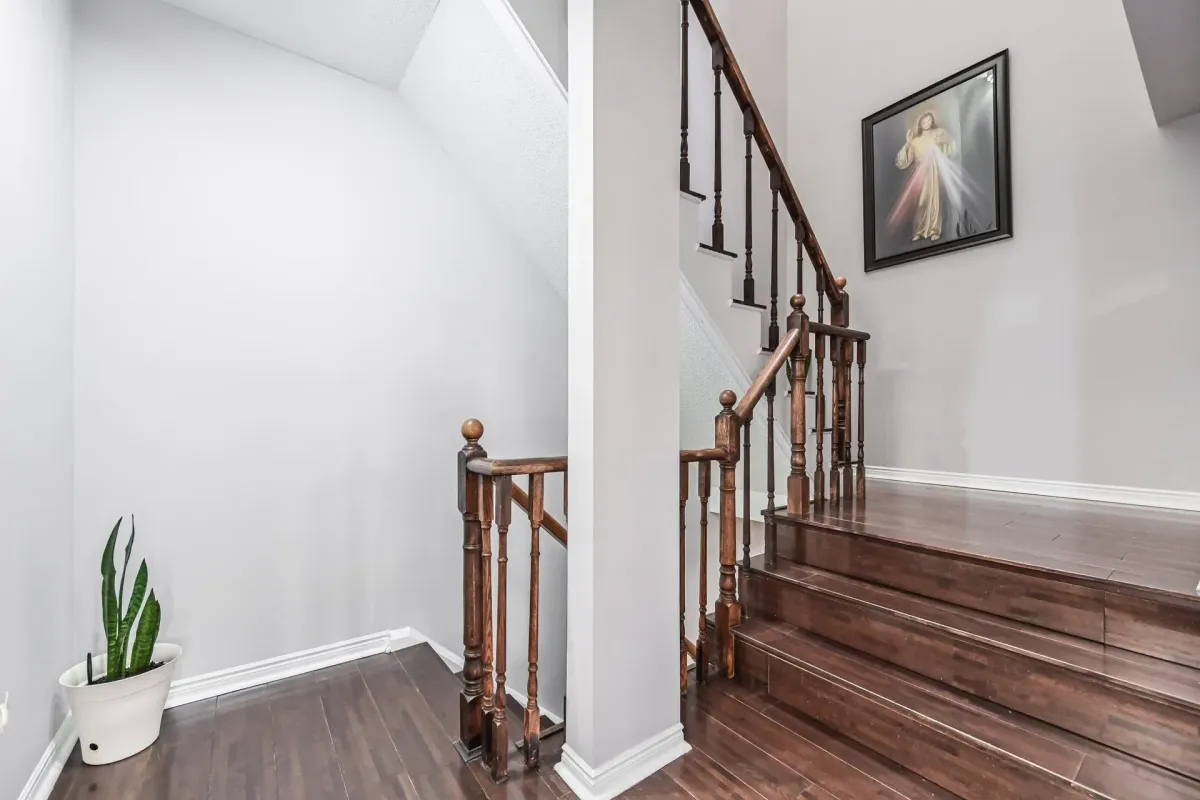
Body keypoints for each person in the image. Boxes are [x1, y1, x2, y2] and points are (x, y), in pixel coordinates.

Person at [890, 111, 956, 242]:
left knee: (935, 200)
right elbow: (903, 162)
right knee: (921, 202)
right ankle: (919, 230)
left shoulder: (938, 133)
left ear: (932, 122)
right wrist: (908, 143)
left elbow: (950, 149)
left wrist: (944, 141)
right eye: (924, 121)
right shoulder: (915, 141)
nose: (927, 123)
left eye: (929, 120)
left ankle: (934, 230)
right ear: (920, 123)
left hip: (935, 172)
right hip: (920, 173)